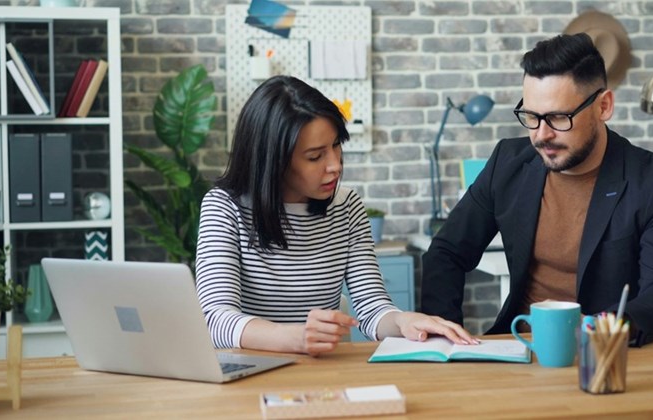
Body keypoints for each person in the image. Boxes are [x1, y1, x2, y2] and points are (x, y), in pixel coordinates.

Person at [420, 33, 653, 347]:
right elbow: (446, 252)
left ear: (603, 106)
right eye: (532, 117)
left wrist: (598, 328)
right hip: (516, 346)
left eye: (557, 118)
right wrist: (446, 339)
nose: (541, 135)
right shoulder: (507, 163)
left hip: (602, 355)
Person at [195, 75, 476, 356]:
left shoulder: (347, 206)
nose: (334, 166)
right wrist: (293, 338)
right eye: (315, 157)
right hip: (245, 376)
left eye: (336, 145)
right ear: (274, 160)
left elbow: (372, 308)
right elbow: (214, 319)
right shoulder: (224, 207)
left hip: (323, 379)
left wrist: (403, 320)